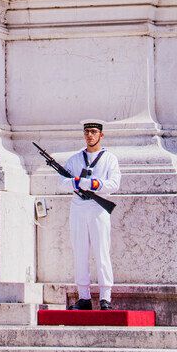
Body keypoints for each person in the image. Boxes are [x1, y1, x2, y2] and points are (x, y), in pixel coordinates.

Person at [60, 121, 121, 310]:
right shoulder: (75, 159)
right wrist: (77, 183)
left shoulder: (109, 159)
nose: (90, 135)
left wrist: (94, 185)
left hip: (98, 208)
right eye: (87, 132)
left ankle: (105, 297)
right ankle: (84, 297)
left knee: (102, 251)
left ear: (101, 135)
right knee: (80, 253)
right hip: (79, 208)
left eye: (94, 132)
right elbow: (62, 183)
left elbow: (115, 184)